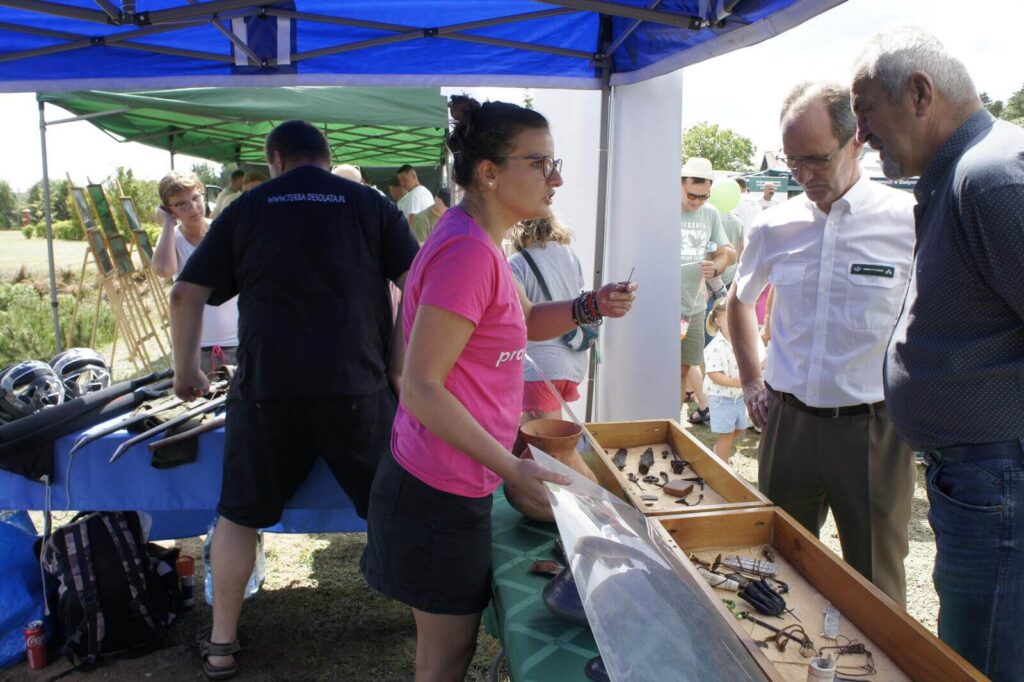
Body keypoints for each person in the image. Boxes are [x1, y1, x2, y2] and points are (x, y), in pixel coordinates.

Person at [360, 95, 637, 682]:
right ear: (489, 173)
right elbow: (422, 388)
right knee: (445, 658)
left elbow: (525, 321)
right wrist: (512, 470)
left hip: (449, 479)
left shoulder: (480, 242)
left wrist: (589, 305)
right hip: (434, 488)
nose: (555, 178)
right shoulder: (466, 251)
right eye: (540, 163)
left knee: (450, 653)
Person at [169, 120, 419, 680]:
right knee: (391, 505)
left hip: (267, 389)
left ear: (276, 159)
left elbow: (186, 291)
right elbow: (420, 283)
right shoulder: (371, 204)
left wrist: (184, 371)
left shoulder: (248, 206)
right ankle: (426, 626)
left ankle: (221, 644)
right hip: (357, 383)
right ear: (328, 159)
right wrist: (400, 366)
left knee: (238, 515)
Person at [852, 29, 1024, 679]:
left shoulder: (989, 178)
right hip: (981, 476)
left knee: (979, 665)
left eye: (866, 111)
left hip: (999, 478)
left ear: (920, 93)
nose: (860, 134)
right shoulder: (961, 174)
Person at [727, 80, 917, 605]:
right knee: (776, 571)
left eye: (816, 159)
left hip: (873, 429)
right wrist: (750, 380)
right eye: (793, 164)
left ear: (856, 139)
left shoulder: (908, 221)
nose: (805, 177)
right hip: (787, 424)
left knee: (876, 586)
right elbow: (740, 302)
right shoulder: (774, 225)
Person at [151, 171, 239, 373]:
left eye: (195, 198)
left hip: (237, 342)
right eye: (181, 204)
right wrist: (167, 224)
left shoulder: (222, 231)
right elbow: (164, 270)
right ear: (168, 209)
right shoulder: (172, 238)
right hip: (195, 350)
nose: (193, 207)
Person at [508, 215, 589, 422]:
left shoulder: (517, 263)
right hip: (573, 360)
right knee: (528, 438)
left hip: (540, 366)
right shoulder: (571, 256)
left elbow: (516, 315)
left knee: (551, 447)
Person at [678, 156, 736, 424]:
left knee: (683, 368)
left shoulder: (710, 213)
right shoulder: (664, 208)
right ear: (681, 184)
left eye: (704, 196)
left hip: (695, 307)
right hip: (662, 305)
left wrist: (716, 265)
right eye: (692, 195)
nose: (697, 201)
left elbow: (727, 253)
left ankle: (671, 422)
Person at [703, 299, 763, 462]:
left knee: (741, 428)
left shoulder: (742, 342)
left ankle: (717, 450)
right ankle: (722, 464)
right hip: (721, 398)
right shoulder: (715, 346)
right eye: (727, 317)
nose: (733, 321)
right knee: (727, 434)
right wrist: (734, 382)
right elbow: (713, 374)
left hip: (738, 396)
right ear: (717, 320)